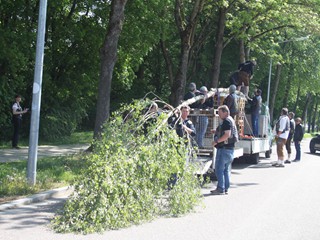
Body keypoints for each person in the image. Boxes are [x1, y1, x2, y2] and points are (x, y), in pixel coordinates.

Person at [210, 105, 238, 195]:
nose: (219, 115)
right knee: (226, 170)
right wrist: (217, 131)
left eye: (220, 112)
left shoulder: (226, 121)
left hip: (224, 149)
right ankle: (225, 188)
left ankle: (220, 188)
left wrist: (216, 141)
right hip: (230, 149)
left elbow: (227, 134)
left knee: (219, 169)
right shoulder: (231, 120)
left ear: (225, 112)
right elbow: (227, 132)